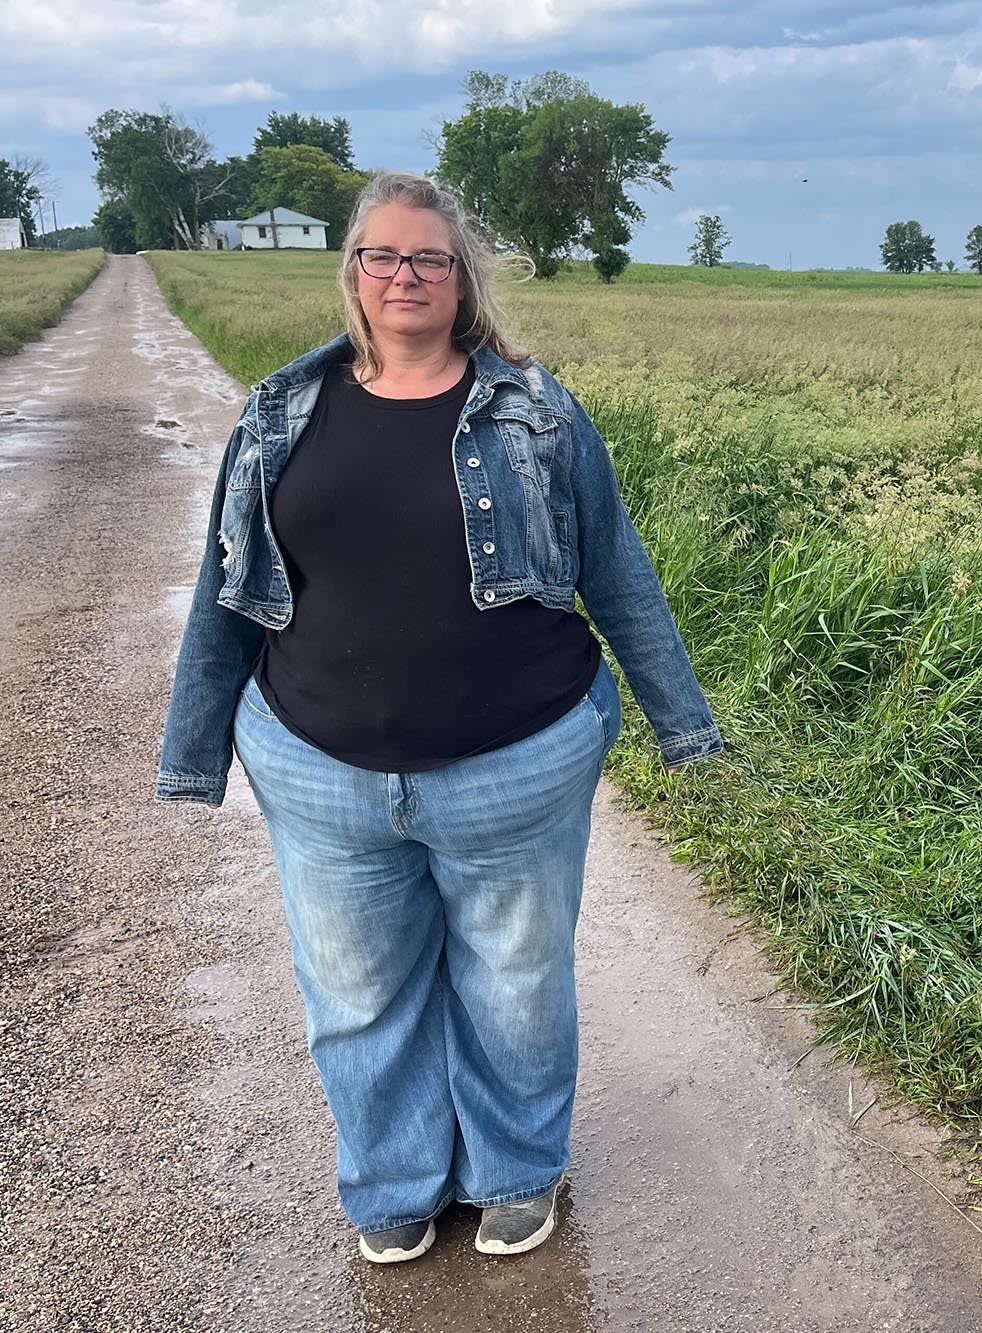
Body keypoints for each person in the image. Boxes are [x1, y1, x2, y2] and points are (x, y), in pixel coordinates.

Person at [154, 170, 726, 1264]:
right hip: (321, 772)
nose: (403, 275)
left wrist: (681, 722)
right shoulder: (278, 412)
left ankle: (513, 1171)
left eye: (429, 257)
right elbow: (226, 589)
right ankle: (396, 1182)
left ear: (462, 280)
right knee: (357, 997)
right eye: (382, 255)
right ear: (353, 273)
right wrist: (197, 749)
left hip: (516, 764)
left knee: (514, 986)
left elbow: (618, 574)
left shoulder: (538, 412)